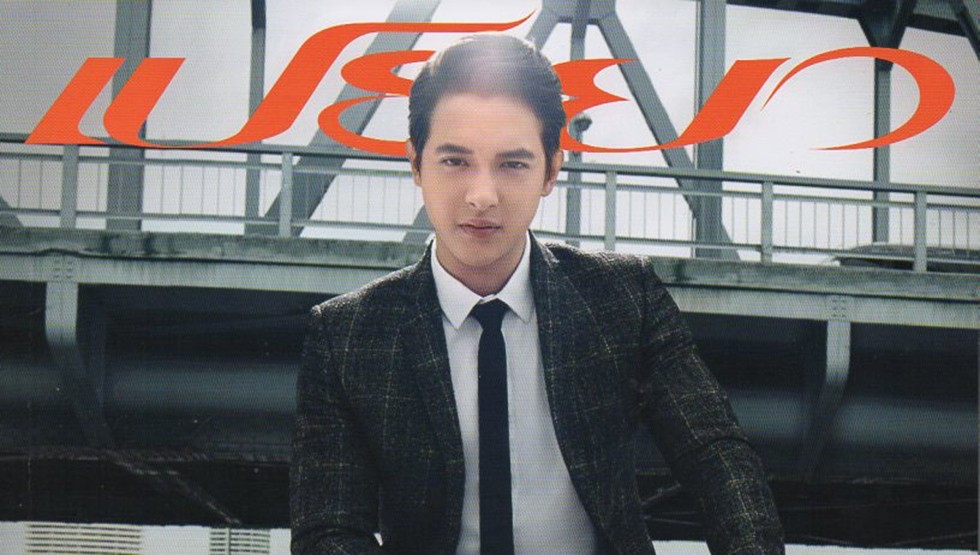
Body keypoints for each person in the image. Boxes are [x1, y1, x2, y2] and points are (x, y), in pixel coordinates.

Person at [291, 33, 784, 555]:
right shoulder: (346, 335)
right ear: (415, 163)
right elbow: (329, 531)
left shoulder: (623, 297)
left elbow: (715, 455)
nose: (482, 196)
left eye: (513, 164)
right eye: (455, 162)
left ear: (551, 170)